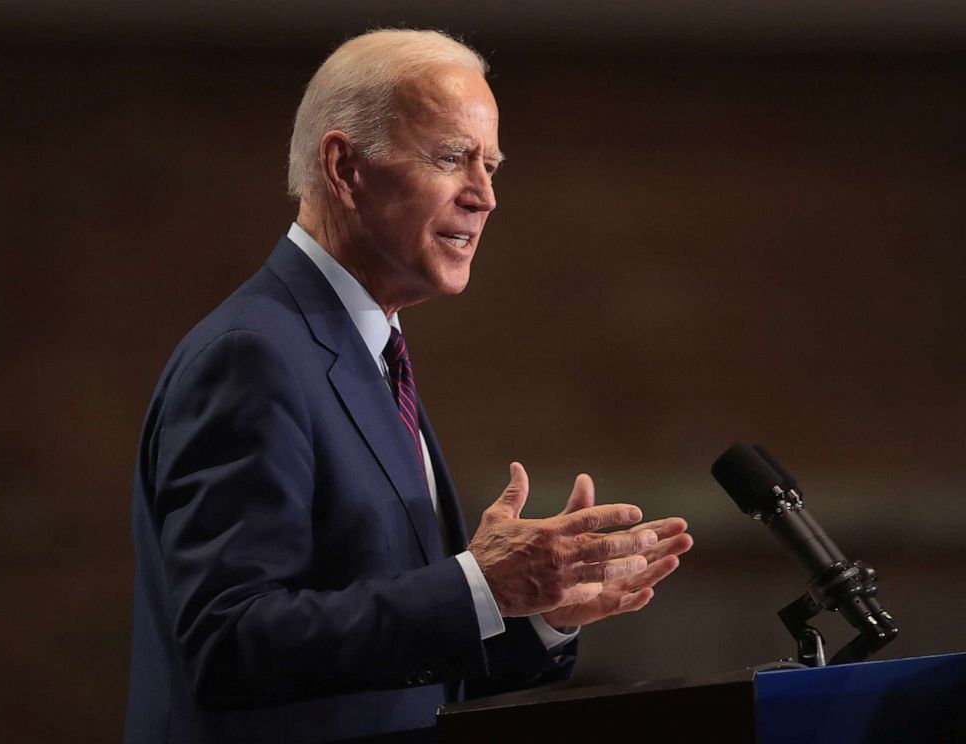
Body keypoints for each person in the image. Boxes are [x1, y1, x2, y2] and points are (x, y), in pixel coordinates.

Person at [125, 29, 692, 743]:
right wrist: (478, 586)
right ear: (344, 165)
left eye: (491, 165)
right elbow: (231, 642)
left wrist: (535, 612)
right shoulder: (252, 356)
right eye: (453, 158)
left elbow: (401, 664)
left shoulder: (368, 350)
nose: (484, 196)